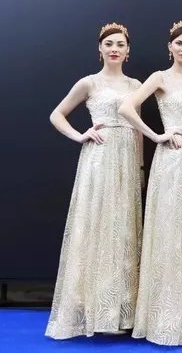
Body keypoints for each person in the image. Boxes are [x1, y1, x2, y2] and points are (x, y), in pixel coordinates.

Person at [119, 20, 182, 345]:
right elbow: (126, 107)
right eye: (179, 43)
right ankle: (163, 316)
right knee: (168, 230)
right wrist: (156, 135)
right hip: (171, 159)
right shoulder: (159, 78)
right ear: (170, 47)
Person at [46, 23, 142, 339]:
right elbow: (57, 114)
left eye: (120, 44)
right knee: (96, 226)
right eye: (109, 43)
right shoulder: (89, 83)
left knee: (123, 230)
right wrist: (79, 135)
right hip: (99, 159)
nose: (114, 49)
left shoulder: (135, 85)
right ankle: (90, 309)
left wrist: (141, 167)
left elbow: (139, 129)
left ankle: (120, 310)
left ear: (128, 51)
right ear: (100, 48)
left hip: (127, 162)